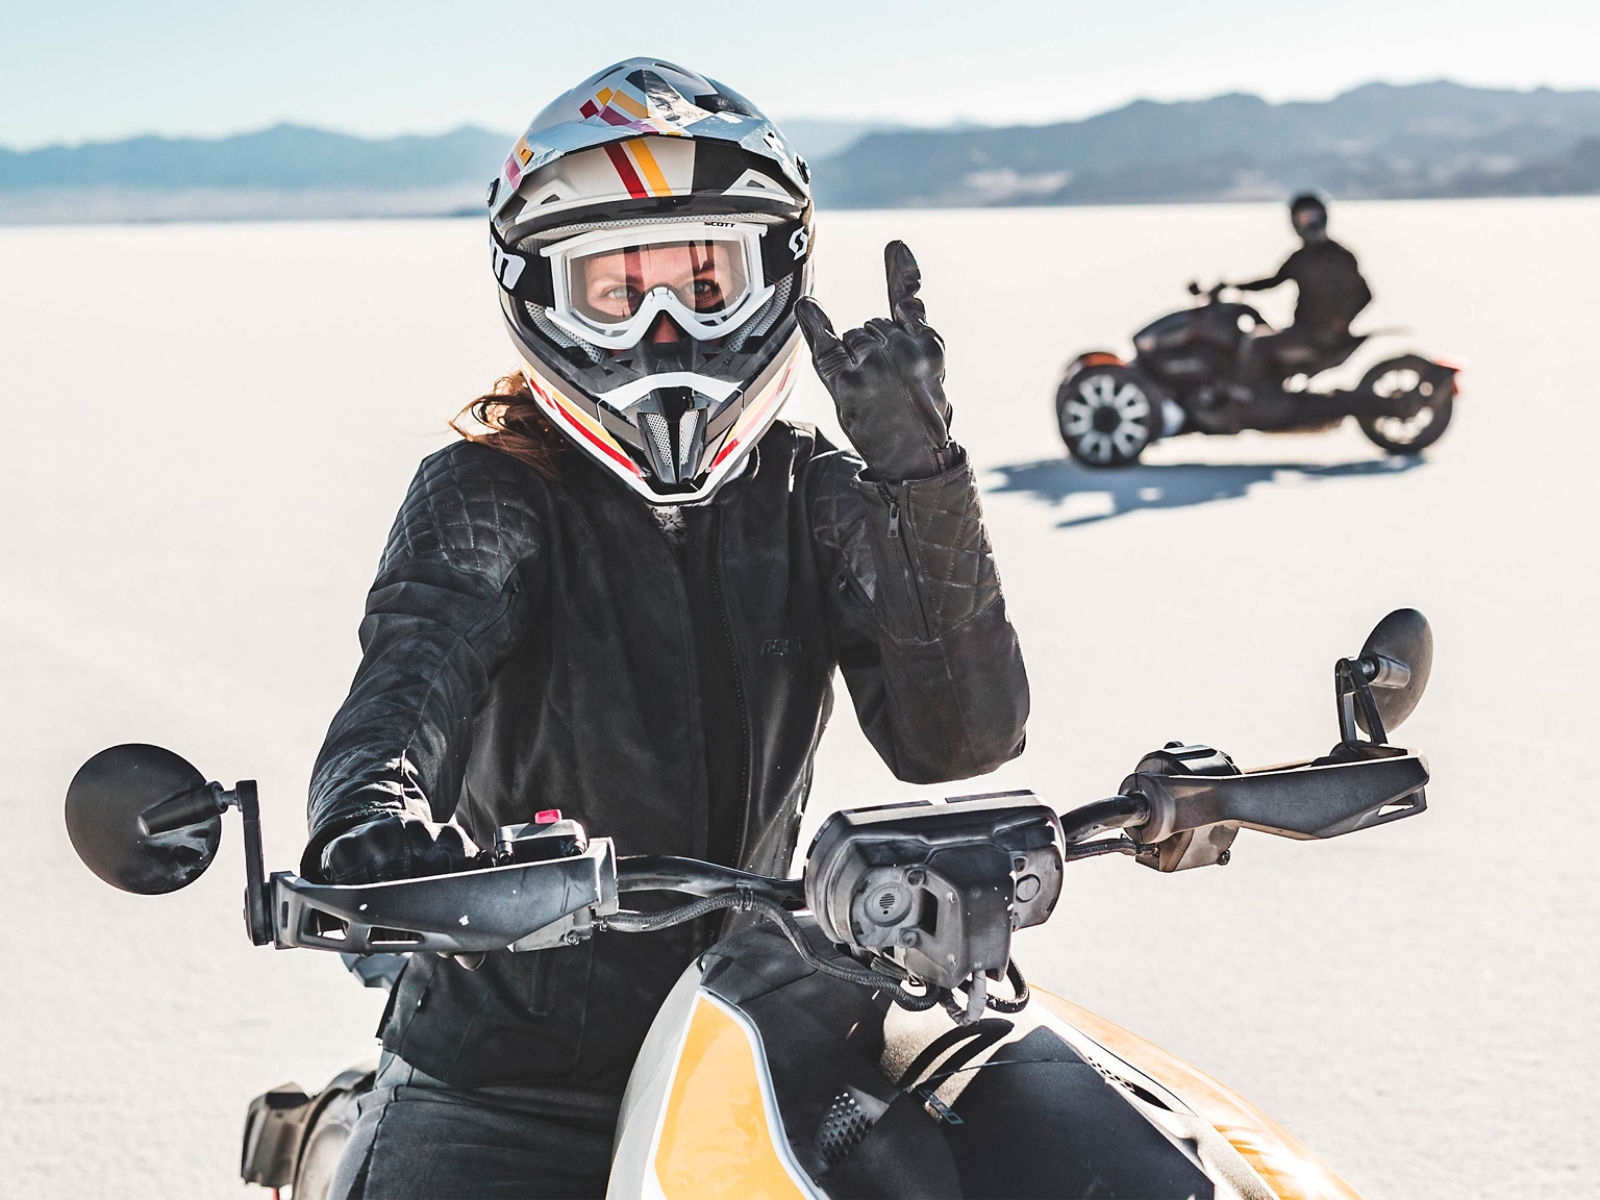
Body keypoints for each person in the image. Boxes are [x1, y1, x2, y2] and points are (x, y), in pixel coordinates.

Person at [306, 59, 1029, 1199]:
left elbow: (960, 743)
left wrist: (920, 478)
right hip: (505, 1072)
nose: (662, 324)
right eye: (615, 289)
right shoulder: (491, 494)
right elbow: (409, 676)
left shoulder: (813, 492)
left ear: (776, 279)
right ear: (539, 294)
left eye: (705, 279)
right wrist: (370, 820)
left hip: (748, 1030)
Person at [1229, 192, 1373, 387]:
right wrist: (1235, 286)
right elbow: (1273, 281)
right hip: (1302, 330)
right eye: (1305, 218)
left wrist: (1341, 321)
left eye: (1314, 216)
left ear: (1323, 218)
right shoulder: (1300, 258)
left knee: (1257, 345)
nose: (1310, 223)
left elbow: (1364, 295)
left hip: (1320, 336)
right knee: (1254, 338)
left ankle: (1248, 399)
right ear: (1296, 223)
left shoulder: (1340, 256)